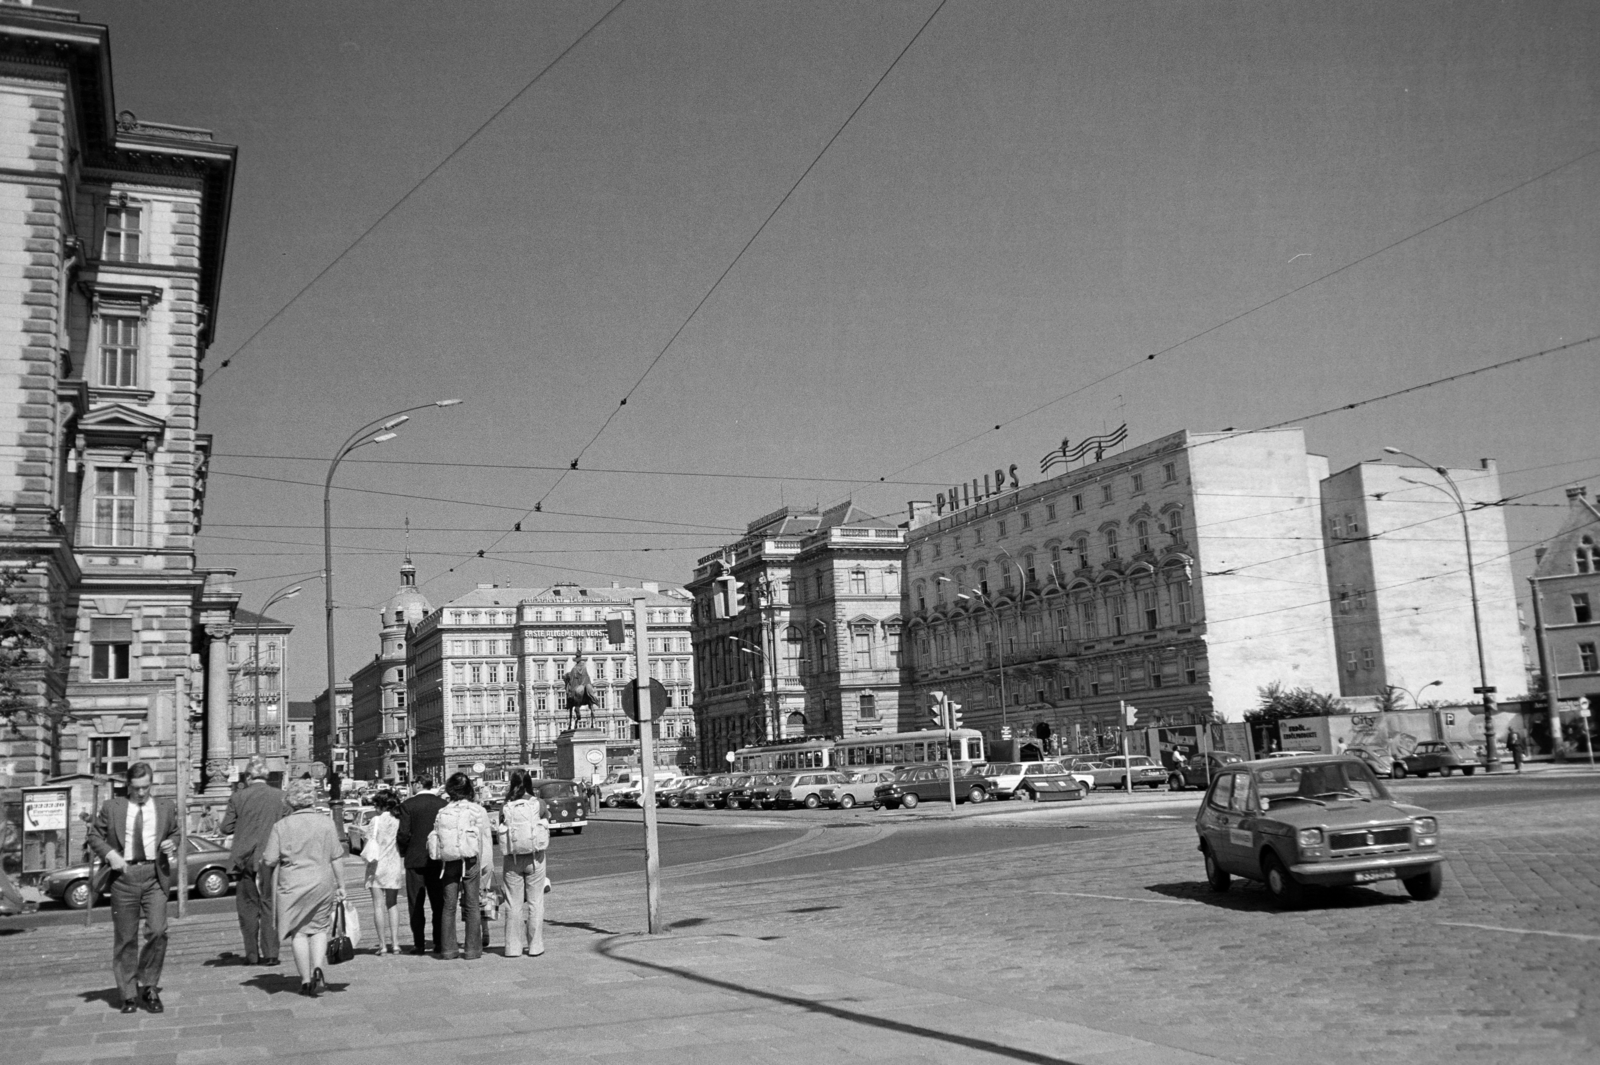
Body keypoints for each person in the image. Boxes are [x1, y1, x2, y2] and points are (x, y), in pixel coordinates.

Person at [86, 762, 179, 1014]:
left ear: (152, 783)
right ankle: (128, 993)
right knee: (126, 938)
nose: (141, 793)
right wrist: (110, 855)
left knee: (158, 931)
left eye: (145, 787)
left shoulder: (165, 807)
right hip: (123, 877)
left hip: (154, 875)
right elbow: (94, 836)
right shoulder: (112, 807)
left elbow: (175, 833)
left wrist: (172, 842)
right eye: (136, 788)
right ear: (128, 785)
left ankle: (149, 986)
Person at [260, 779, 351, 997]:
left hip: (292, 885)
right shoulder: (326, 823)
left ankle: (306, 980)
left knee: (299, 932)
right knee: (319, 928)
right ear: (312, 798)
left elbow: (269, 859)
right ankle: (318, 967)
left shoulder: (281, 826)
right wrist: (341, 885)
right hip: (321, 882)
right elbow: (336, 857)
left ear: (290, 801)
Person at [219, 756, 292, 965]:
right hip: (271, 860)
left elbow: (226, 828)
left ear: (249, 776)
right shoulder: (281, 796)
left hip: (245, 861)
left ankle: (252, 955)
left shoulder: (238, 797)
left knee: (248, 909)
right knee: (270, 906)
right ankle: (271, 955)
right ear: (266, 776)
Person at [429, 772, 493, 960]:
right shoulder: (477, 810)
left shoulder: (443, 811)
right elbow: (485, 840)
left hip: (448, 862)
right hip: (471, 860)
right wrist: (486, 867)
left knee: (448, 906)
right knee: (472, 905)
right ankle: (472, 950)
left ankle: (448, 950)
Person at [494, 770, 548, 957]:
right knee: (535, 902)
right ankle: (535, 946)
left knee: (513, 904)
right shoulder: (538, 803)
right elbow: (546, 822)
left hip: (512, 859)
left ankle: (512, 948)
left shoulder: (506, 806)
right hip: (535, 858)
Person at [397, 781, 446, 955]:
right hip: (437, 860)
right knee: (438, 903)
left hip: (414, 860)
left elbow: (403, 833)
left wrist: (404, 851)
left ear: (418, 785)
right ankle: (440, 942)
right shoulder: (442, 804)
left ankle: (419, 944)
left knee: (416, 903)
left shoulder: (408, 805)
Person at [362, 790, 405, 955]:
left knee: (378, 906)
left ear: (382, 805)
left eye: (376, 804)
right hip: (393, 865)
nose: (374, 807)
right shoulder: (398, 820)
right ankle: (395, 944)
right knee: (393, 904)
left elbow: (367, 841)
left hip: (376, 865)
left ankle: (382, 945)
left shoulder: (376, 820)